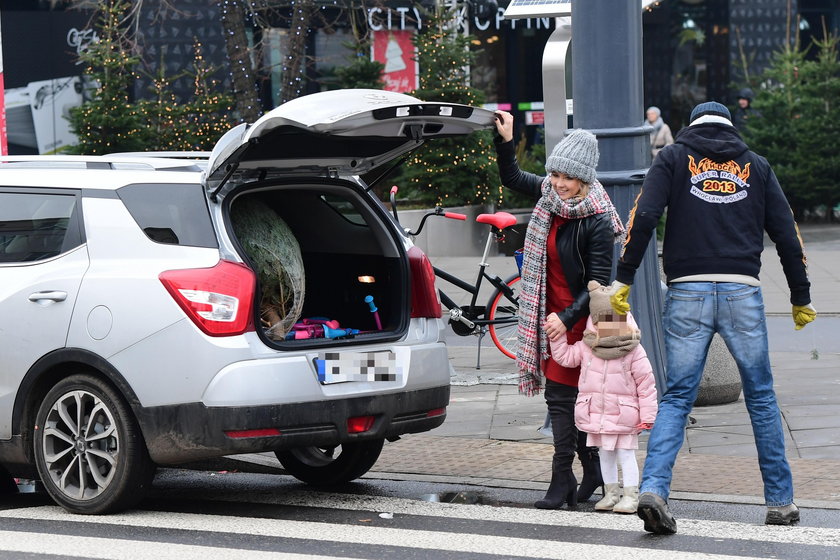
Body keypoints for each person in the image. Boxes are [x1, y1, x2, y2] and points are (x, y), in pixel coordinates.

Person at [610, 101, 817, 533]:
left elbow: (643, 215)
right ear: (730, 125)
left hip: (687, 289)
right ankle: (779, 502)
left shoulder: (671, 158)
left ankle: (654, 488)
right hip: (743, 289)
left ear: (691, 126)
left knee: (677, 397)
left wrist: (623, 278)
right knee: (761, 396)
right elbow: (786, 232)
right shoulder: (756, 166)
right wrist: (801, 295)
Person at [493, 110, 626, 509]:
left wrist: (566, 318)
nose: (559, 184)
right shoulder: (551, 199)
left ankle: (566, 477)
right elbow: (513, 178)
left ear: (585, 179)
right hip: (550, 317)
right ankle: (581, 473)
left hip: (584, 320)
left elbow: (599, 285)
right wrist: (505, 140)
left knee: (573, 400)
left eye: (568, 178)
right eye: (555, 175)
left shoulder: (599, 219)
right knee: (563, 399)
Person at [549, 280, 657, 514]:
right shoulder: (589, 346)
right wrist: (555, 336)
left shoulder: (632, 348)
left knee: (626, 454)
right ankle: (611, 493)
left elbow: (646, 384)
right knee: (606, 454)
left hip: (624, 414)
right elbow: (565, 358)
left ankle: (631, 495)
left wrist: (648, 414)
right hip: (598, 413)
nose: (609, 326)